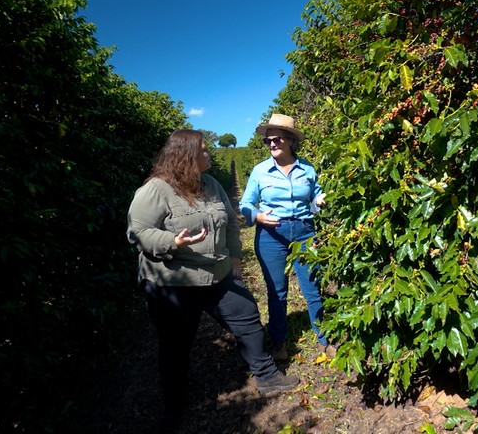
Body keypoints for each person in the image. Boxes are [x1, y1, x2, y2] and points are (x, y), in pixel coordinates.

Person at [126, 130, 300, 429]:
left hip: (217, 273)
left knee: (246, 315)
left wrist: (234, 257)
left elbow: (230, 222)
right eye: (204, 150)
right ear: (186, 156)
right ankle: (175, 404)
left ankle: (266, 375)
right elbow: (138, 232)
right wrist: (172, 242)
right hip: (174, 282)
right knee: (175, 345)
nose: (209, 154)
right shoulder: (156, 190)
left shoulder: (211, 184)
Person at [239, 114, 336, 361]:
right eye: (267, 140)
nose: (271, 144)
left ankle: (323, 338)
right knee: (276, 291)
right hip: (271, 234)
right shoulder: (260, 171)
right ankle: (279, 341)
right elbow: (245, 204)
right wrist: (258, 216)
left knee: (312, 287)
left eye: (277, 139)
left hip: (304, 232)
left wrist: (319, 201)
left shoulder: (308, 169)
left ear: (291, 141)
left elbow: (315, 196)